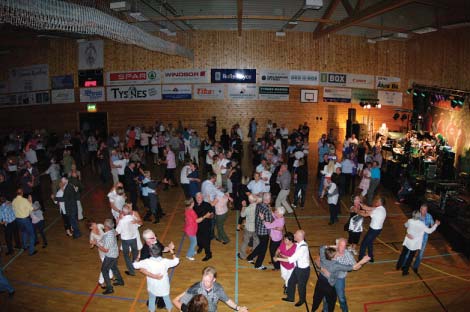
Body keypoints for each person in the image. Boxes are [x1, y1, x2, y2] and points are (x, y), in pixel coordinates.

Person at [311, 246, 370, 312]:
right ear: (333, 257)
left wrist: (335, 246)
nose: (337, 253)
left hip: (320, 283)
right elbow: (353, 267)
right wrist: (363, 260)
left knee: (317, 298)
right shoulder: (336, 265)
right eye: (336, 254)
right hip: (329, 286)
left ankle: (313, 310)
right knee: (331, 301)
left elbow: (322, 248)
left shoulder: (323, 257)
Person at [172, 266, 248, 312]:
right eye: (203, 280)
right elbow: (181, 302)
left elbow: (227, 300)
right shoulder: (195, 288)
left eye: (208, 281)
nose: (204, 283)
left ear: (214, 280)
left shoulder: (218, 289)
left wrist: (238, 308)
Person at [133, 243, 180, 312]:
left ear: (150, 253)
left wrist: (138, 256)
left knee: (152, 298)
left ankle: (151, 310)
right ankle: (169, 310)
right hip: (163, 285)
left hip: (152, 285)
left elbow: (135, 265)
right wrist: (171, 251)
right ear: (160, 252)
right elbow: (176, 261)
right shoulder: (165, 261)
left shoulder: (146, 262)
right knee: (166, 298)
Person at [396, 210, 440, 276]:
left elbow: (405, 225)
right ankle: (405, 272)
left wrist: (408, 232)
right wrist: (436, 225)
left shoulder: (410, 220)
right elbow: (429, 231)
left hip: (407, 241)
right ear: (419, 216)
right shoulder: (421, 224)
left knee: (403, 254)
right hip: (414, 244)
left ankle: (398, 266)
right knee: (410, 258)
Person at [276, 229, 310, 307]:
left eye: (295, 234)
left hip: (303, 270)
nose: (294, 235)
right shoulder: (299, 244)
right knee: (291, 282)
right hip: (297, 268)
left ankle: (302, 300)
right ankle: (290, 298)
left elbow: (290, 259)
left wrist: (277, 259)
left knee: (301, 286)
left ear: (299, 237)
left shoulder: (302, 248)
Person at [321, 238, 356, 312]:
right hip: (329, 278)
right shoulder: (331, 251)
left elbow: (354, 266)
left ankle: (345, 310)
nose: (343, 248)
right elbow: (318, 259)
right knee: (325, 297)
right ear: (337, 245)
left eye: (344, 246)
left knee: (341, 297)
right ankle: (325, 310)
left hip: (340, 279)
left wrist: (361, 262)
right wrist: (322, 268)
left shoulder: (348, 254)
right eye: (341, 245)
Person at [91, 218, 124, 295]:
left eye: (104, 225)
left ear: (106, 227)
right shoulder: (112, 230)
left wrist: (96, 244)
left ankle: (109, 288)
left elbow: (105, 250)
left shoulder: (108, 236)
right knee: (114, 267)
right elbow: (116, 233)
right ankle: (120, 281)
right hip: (115, 253)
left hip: (110, 256)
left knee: (104, 270)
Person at [246, 192, 273, 270]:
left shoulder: (259, 204)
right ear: (268, 200)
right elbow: (269, 224)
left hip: (258, 229)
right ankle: (258, 265)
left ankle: (250, 257)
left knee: (261, 245)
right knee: (263, 249)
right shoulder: (267, 211)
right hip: (264, 232)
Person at [116, 205, 143, 276]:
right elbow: (140, 223)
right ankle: (134, 265)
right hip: (134, 239)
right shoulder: (133, 218)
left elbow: (117, 232)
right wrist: (137, 221)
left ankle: (131, 271)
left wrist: (117, 222)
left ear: (123, 212)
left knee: (126, 256)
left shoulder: (122, 221)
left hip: (125, 241)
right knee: (135, 253)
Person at [357, 197, 387, 262]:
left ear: (380, 203)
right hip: (377, 230)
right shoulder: (382, 209)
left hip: (373, 230)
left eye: (377, 201)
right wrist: (360, 203)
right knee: (369, 242)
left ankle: (360, 259)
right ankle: (371, 257)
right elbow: (367, 208)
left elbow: (364, 214)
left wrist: (357, 211)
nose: (376, 201)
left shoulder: (377, 210)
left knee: (364, 243)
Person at [88, 220, 113, 289]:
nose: (96, 225)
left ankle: (110, 276)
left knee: (109, 263)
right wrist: (93, 243)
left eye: (95, 223)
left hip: (107, 247)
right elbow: (91, 246)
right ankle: (101, 281)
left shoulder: (99, 226)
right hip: (102, 251)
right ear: (91, 227)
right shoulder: (92, 235)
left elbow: (106, 227)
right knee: (105, 266)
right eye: (93, 225)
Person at [411, 203, 435, 273]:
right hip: (416, 238)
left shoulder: (429, 216)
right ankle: (406, 263)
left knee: (420, 254)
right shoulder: (417, 216)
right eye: (423, 210)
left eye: (425, 210)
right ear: (420, 209)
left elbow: (432, 225)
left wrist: (434, 225)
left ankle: (415, 266)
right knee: (411, 251)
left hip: (424, 239)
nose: (424, 211)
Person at [12, 188, 37, 256]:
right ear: (22, 193)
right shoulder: (24, 200)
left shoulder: (14, 200)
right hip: (25, 220)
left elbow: (13, 209)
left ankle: (25, 246)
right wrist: (31, 201)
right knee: (32, 234)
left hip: (18, 220)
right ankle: (31, 251)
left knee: (23, 232)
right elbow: (32, 209)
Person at [263, 206, 286, 271]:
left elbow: (268, 226)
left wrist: (263, 220)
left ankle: (277, 266)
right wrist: (271, 211)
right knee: (272, 250)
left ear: (280, 214)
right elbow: (274, 216)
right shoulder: (281, 217)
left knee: (273, 252)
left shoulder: (278, 221)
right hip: (277, 238)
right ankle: (274, 261)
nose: (275, 212)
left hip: (275, 239)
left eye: (277, 212)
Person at [194, 193, 214, 261]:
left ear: (202, 197)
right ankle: (200, 247)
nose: (198, 198)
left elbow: (212, 215)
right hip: (196, 227)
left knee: (206, 241)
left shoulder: (207, 205)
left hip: (206, 227)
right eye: (197, 197)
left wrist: (209, 216)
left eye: (200, 197)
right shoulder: (194, 205)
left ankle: (208, 254)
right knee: (198, 239)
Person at [238, 194, 259, 260]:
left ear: (249, 200)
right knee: (256, 242)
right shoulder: (259, 207)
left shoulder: (248, 208)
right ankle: (255, 256)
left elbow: (242, 215)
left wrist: (243, 206)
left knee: (245, 241)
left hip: (249, 228)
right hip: (256, 228)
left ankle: (242, 256)